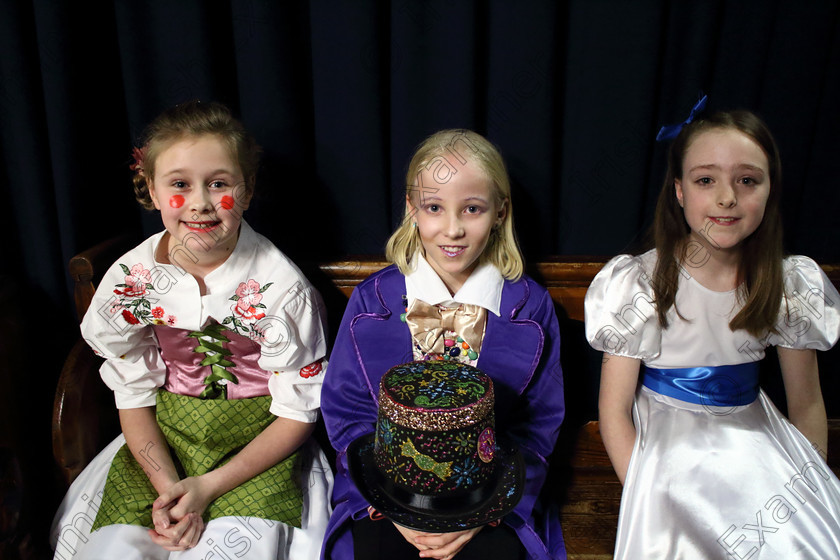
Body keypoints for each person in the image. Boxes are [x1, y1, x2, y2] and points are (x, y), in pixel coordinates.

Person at [50, 100, 333, 559]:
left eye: (219, 183)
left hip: (260, 450)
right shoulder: (131, 280)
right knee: (120, 547)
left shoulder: (281, 289)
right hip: (163, 443)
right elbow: (134, 392)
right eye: (180, 185)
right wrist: (171, 489)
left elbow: (297, 414)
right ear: (152, 191)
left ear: (247, 188)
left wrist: (206, 488)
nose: (200, 202)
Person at [586, 104, 840, 558]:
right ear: (680, 191)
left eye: (747, 180)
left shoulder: (787, 284)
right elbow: (614, 410)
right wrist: (647, 492)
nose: (727, 198)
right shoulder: (639, 284)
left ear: (768, 191)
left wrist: (809, 482)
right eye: (707, 180)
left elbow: (807, 402)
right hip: (668, 447)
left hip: (755, 439)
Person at [321, 129, 566, 560]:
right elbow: (348, 410)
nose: (453, 229)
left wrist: (482, 514)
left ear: (499, 212)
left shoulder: (530, 307)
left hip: (490, 497)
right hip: (387, 493)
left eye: (472, 209)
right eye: (435, 208)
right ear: (413, 210)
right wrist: (394, 507)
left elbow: (538, 422)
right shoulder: (370, 300)